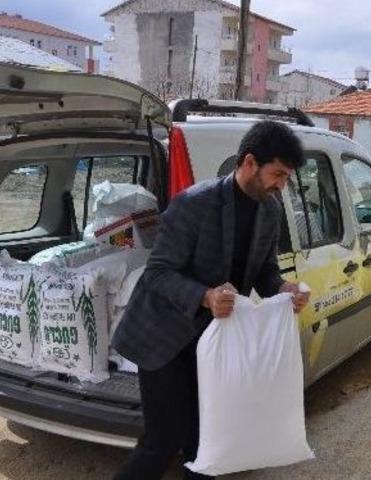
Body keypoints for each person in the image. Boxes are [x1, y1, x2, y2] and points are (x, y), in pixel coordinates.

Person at [112, 121, 311, 480]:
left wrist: (283, 290)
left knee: (206, 440)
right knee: (163, 439)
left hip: (213, 341)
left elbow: (265, 272)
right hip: (163, 335)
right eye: (278, 174)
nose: (281, 185)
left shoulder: (270, 211)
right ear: (250, 162)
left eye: (286, 178)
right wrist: (205, 296)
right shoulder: (194, 204)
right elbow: (157, 272)